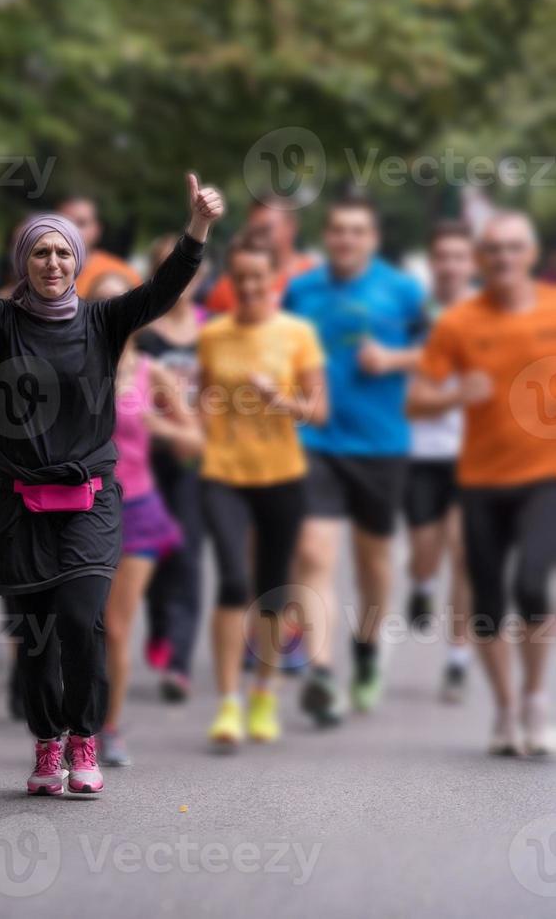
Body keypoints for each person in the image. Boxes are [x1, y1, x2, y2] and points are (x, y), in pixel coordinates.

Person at [0, 170, 224, 797]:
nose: (52, 261)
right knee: (35, 631)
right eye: (40, 251)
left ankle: (83, 736)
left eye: (64, 251)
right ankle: (46, 745)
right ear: (24, 260)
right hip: (18, 502)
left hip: (89, 498)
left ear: (78, 262)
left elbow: (163, 289)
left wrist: (197, 228)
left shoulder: (103, 322)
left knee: (79, 617)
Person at [408, 211, 556, 757]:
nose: (503, 260)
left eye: (513, 249)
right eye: (492, 251)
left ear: (532, 254)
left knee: (534, 586)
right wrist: (453, 395)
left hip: (547, 477)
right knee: (488, 603)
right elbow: (417, 400)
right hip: (481, 479)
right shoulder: (459, 323)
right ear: (480, 259)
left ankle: (537, 699)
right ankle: (505, 708)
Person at [283, 196, 426, 724]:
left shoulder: (403, 291)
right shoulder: (302, 289)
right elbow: (281, 349)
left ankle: (366, 649)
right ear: (328, 236)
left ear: (373, 238)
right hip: (317, 441)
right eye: (338, 230)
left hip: (382, 444)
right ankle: (321, 674)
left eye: (357, 231)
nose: (346, 239)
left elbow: (438, 350)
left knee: (373, 562)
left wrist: (393, 358)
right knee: (314, 554)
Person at [196, 237, 327, 748]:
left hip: (281, 474)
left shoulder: (297, 334)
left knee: (272, 591)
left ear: (276, 280)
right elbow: (206, 399)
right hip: (223, 473)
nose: (249, 287)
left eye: (259, 278)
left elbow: (319, 411)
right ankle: (228, 703)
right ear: (229, 281)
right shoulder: (214, 337)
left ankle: (264, 693)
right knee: (232, 580)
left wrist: (282, 399)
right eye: (240, 278)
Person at [83, 271, 202, 768]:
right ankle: (68, 722)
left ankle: (106, 729)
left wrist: (157, 423)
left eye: (122, 303)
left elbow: (195, 442)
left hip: (136, 511)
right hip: (80, 509)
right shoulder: (70, 368)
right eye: (102, 304)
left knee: (114, 626)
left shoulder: (153, 373)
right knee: (77, 622)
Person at [404, 222, 478, 704]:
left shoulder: (488, 314)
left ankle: (457, 659)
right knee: (426, 548)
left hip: (474, 454)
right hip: (417, 451)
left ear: (472, 264)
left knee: (464, 554)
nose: (450, 265)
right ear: (433, 263)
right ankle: (421, 583)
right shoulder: (411, 315)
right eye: (443, 257)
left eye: (460, 257)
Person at [136, 234, 208, 702]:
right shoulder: (141, 329)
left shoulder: (213, 329)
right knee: (148, 553)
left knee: (185, 552)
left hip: (192, 453)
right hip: (141, 457)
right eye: (167, 268)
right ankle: (160, 625)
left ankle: (179, 660)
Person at [202, 202, 315, 314]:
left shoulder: (314, 278)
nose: (258, 236)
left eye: (266, 229)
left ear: (291, 227)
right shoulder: (227, 287)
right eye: (253, 229)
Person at [60, 194, 141, 295]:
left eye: (81, 223)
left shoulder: (125, 275)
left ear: (97, 229)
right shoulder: (39, 272)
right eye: (63, 223)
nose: (71, 230)